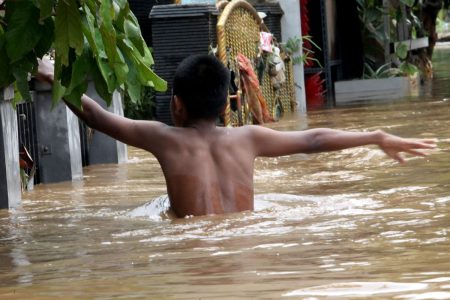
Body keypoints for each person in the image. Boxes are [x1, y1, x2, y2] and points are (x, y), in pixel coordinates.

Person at [36, 55, 436, 218]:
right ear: (226, 106)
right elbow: (314, 140)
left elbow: (100, 118)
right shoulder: (248, 138)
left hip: (193, 246)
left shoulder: (164, 139)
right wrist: (375, 135)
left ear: (177, 104)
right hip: (247, 240)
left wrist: (52, 74)